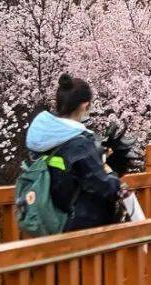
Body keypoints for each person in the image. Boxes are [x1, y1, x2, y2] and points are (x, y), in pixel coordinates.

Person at [23, 74, 124, 231]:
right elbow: (101, 184)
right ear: (85, 106)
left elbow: (65, 168)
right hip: (79, 227)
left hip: (49, 218)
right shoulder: (79, 143)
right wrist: (115, 181)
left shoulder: (44, 136)